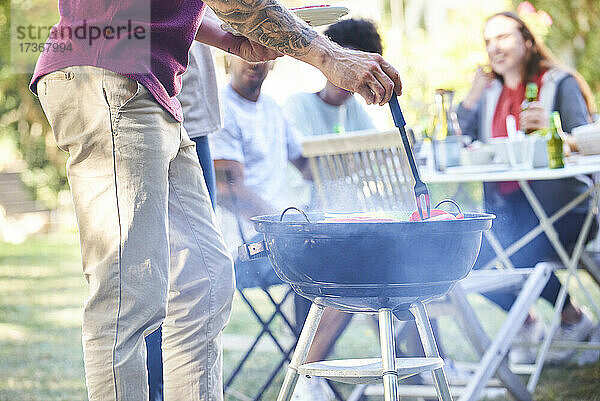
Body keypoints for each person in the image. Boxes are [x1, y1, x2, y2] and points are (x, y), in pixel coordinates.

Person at [30, 0, 402, 399]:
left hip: (153, 88)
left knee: (204, 284)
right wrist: (329, 56)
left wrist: (233, 41)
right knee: (126, 294)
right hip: (111, 76)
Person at [457, 11, 598, 364]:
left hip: (565, 209)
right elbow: (460, 143)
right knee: (465, 255)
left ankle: (572, 319)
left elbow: (585, 143)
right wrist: (470, 100)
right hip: (510, 211)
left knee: (514, 244)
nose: (494, 48)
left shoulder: (557, 83)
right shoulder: (488, 93)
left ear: (528, 40)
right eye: (488, 41)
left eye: (503, 38)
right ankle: (530, 321)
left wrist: (552, 135)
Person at [145, 40, 221, 401]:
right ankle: (154, 391)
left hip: (192, 114)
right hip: (152, 107)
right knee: (158, 275)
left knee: (204, 276)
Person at [284, 18, 381, 136]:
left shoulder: (355, 110)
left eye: (355, 71)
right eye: (344, 67)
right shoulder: (299, 104)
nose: (347, 77)